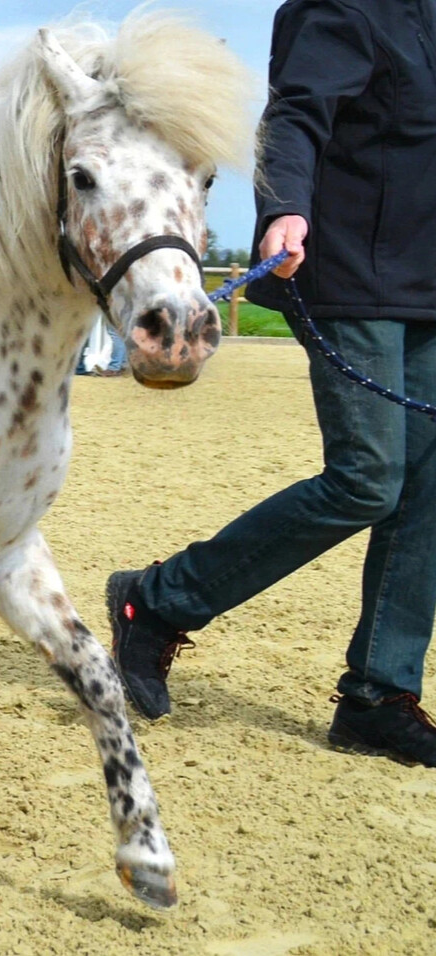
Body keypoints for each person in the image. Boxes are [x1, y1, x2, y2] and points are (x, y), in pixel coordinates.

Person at [108, 0, 436, 766]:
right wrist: (283, 208)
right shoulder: (342, 9)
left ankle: (378, 697)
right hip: (351, 273)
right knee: (367, 478)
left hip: (427, 284)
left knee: (426, 486)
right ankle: (155, 601)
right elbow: (294, 118)